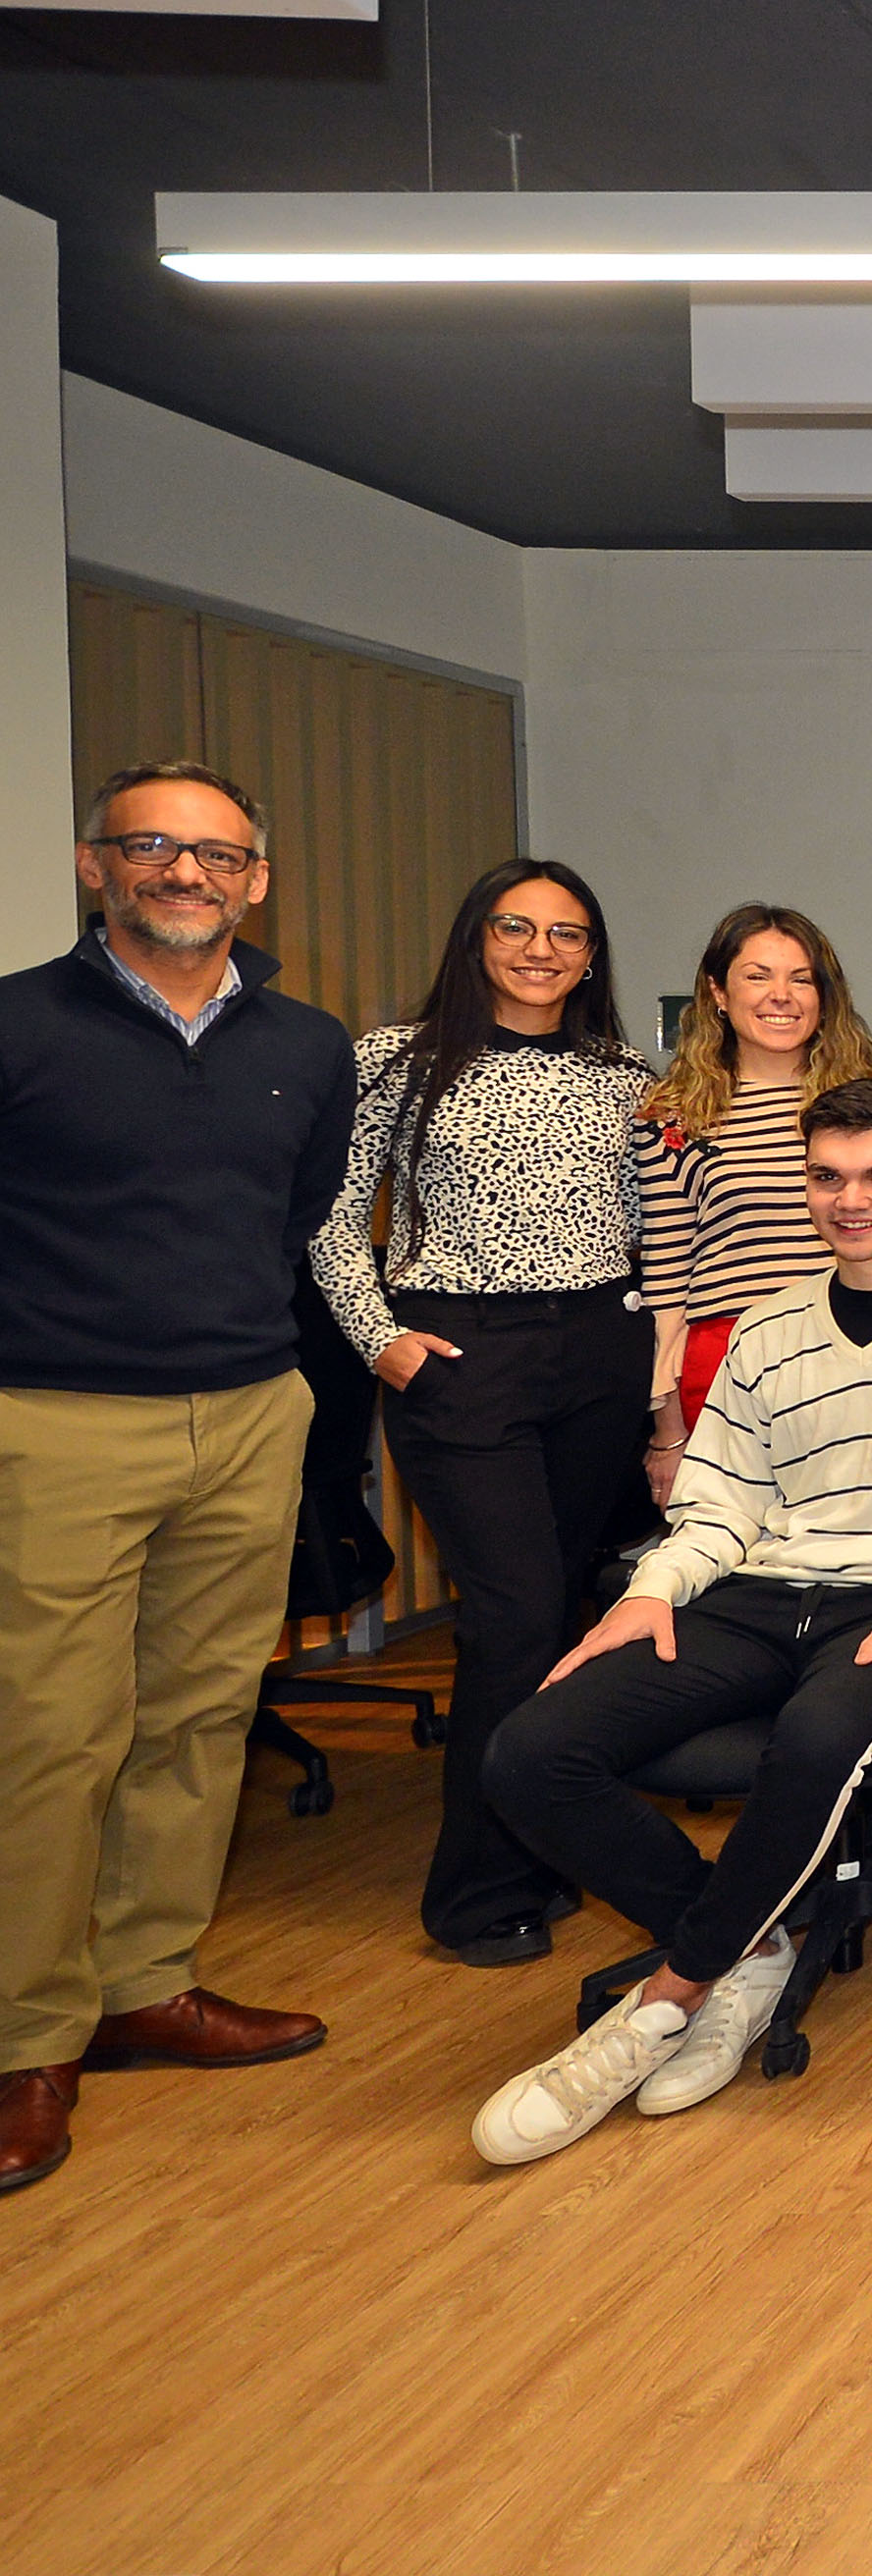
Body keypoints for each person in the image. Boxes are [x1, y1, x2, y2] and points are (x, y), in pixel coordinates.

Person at [469, 1078, 872, 2166]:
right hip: (761, 1592)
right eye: (830, 1176)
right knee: (530, 1746)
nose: (854, 1199)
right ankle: (751, 1944)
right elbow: (720, 1499)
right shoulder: (766, 1327)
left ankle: (667, 1994)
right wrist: (653, 1588)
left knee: (818, 1732)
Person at [0, 762, 351, 2197]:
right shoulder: (19, 1025)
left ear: (257, 879)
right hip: (59, 1416)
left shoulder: (306, 1044)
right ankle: (28, 2039)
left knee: (202, 1714)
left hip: (250, 1408)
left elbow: (303, 1210)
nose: (183, 872)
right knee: (52, 1732)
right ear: (99, 866)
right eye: (151, 845)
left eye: (216, 853)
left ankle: (145, 1983)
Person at [308, 860, 653, 1967]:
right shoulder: (394, 1061)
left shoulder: (625, 1074)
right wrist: (383, 1339)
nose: (541, 948)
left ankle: (551, 1849)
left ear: (592, 954)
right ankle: (476, 1887)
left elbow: (658, 1226)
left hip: (599, 1350)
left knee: (563, 1619)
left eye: (567, 931)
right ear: (477, 938)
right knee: (512, 1614)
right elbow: (327, 1219)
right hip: (464, 1354)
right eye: (517, 926)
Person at [635, 904, 872, 1491]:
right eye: (758, 976)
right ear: (717, 992)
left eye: (801, 978)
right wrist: (668, 1434)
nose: (782, 996)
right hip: (728, 1365)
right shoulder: (675, 1114)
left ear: (825, 996)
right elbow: (667, 1284)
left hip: (864, 1355)